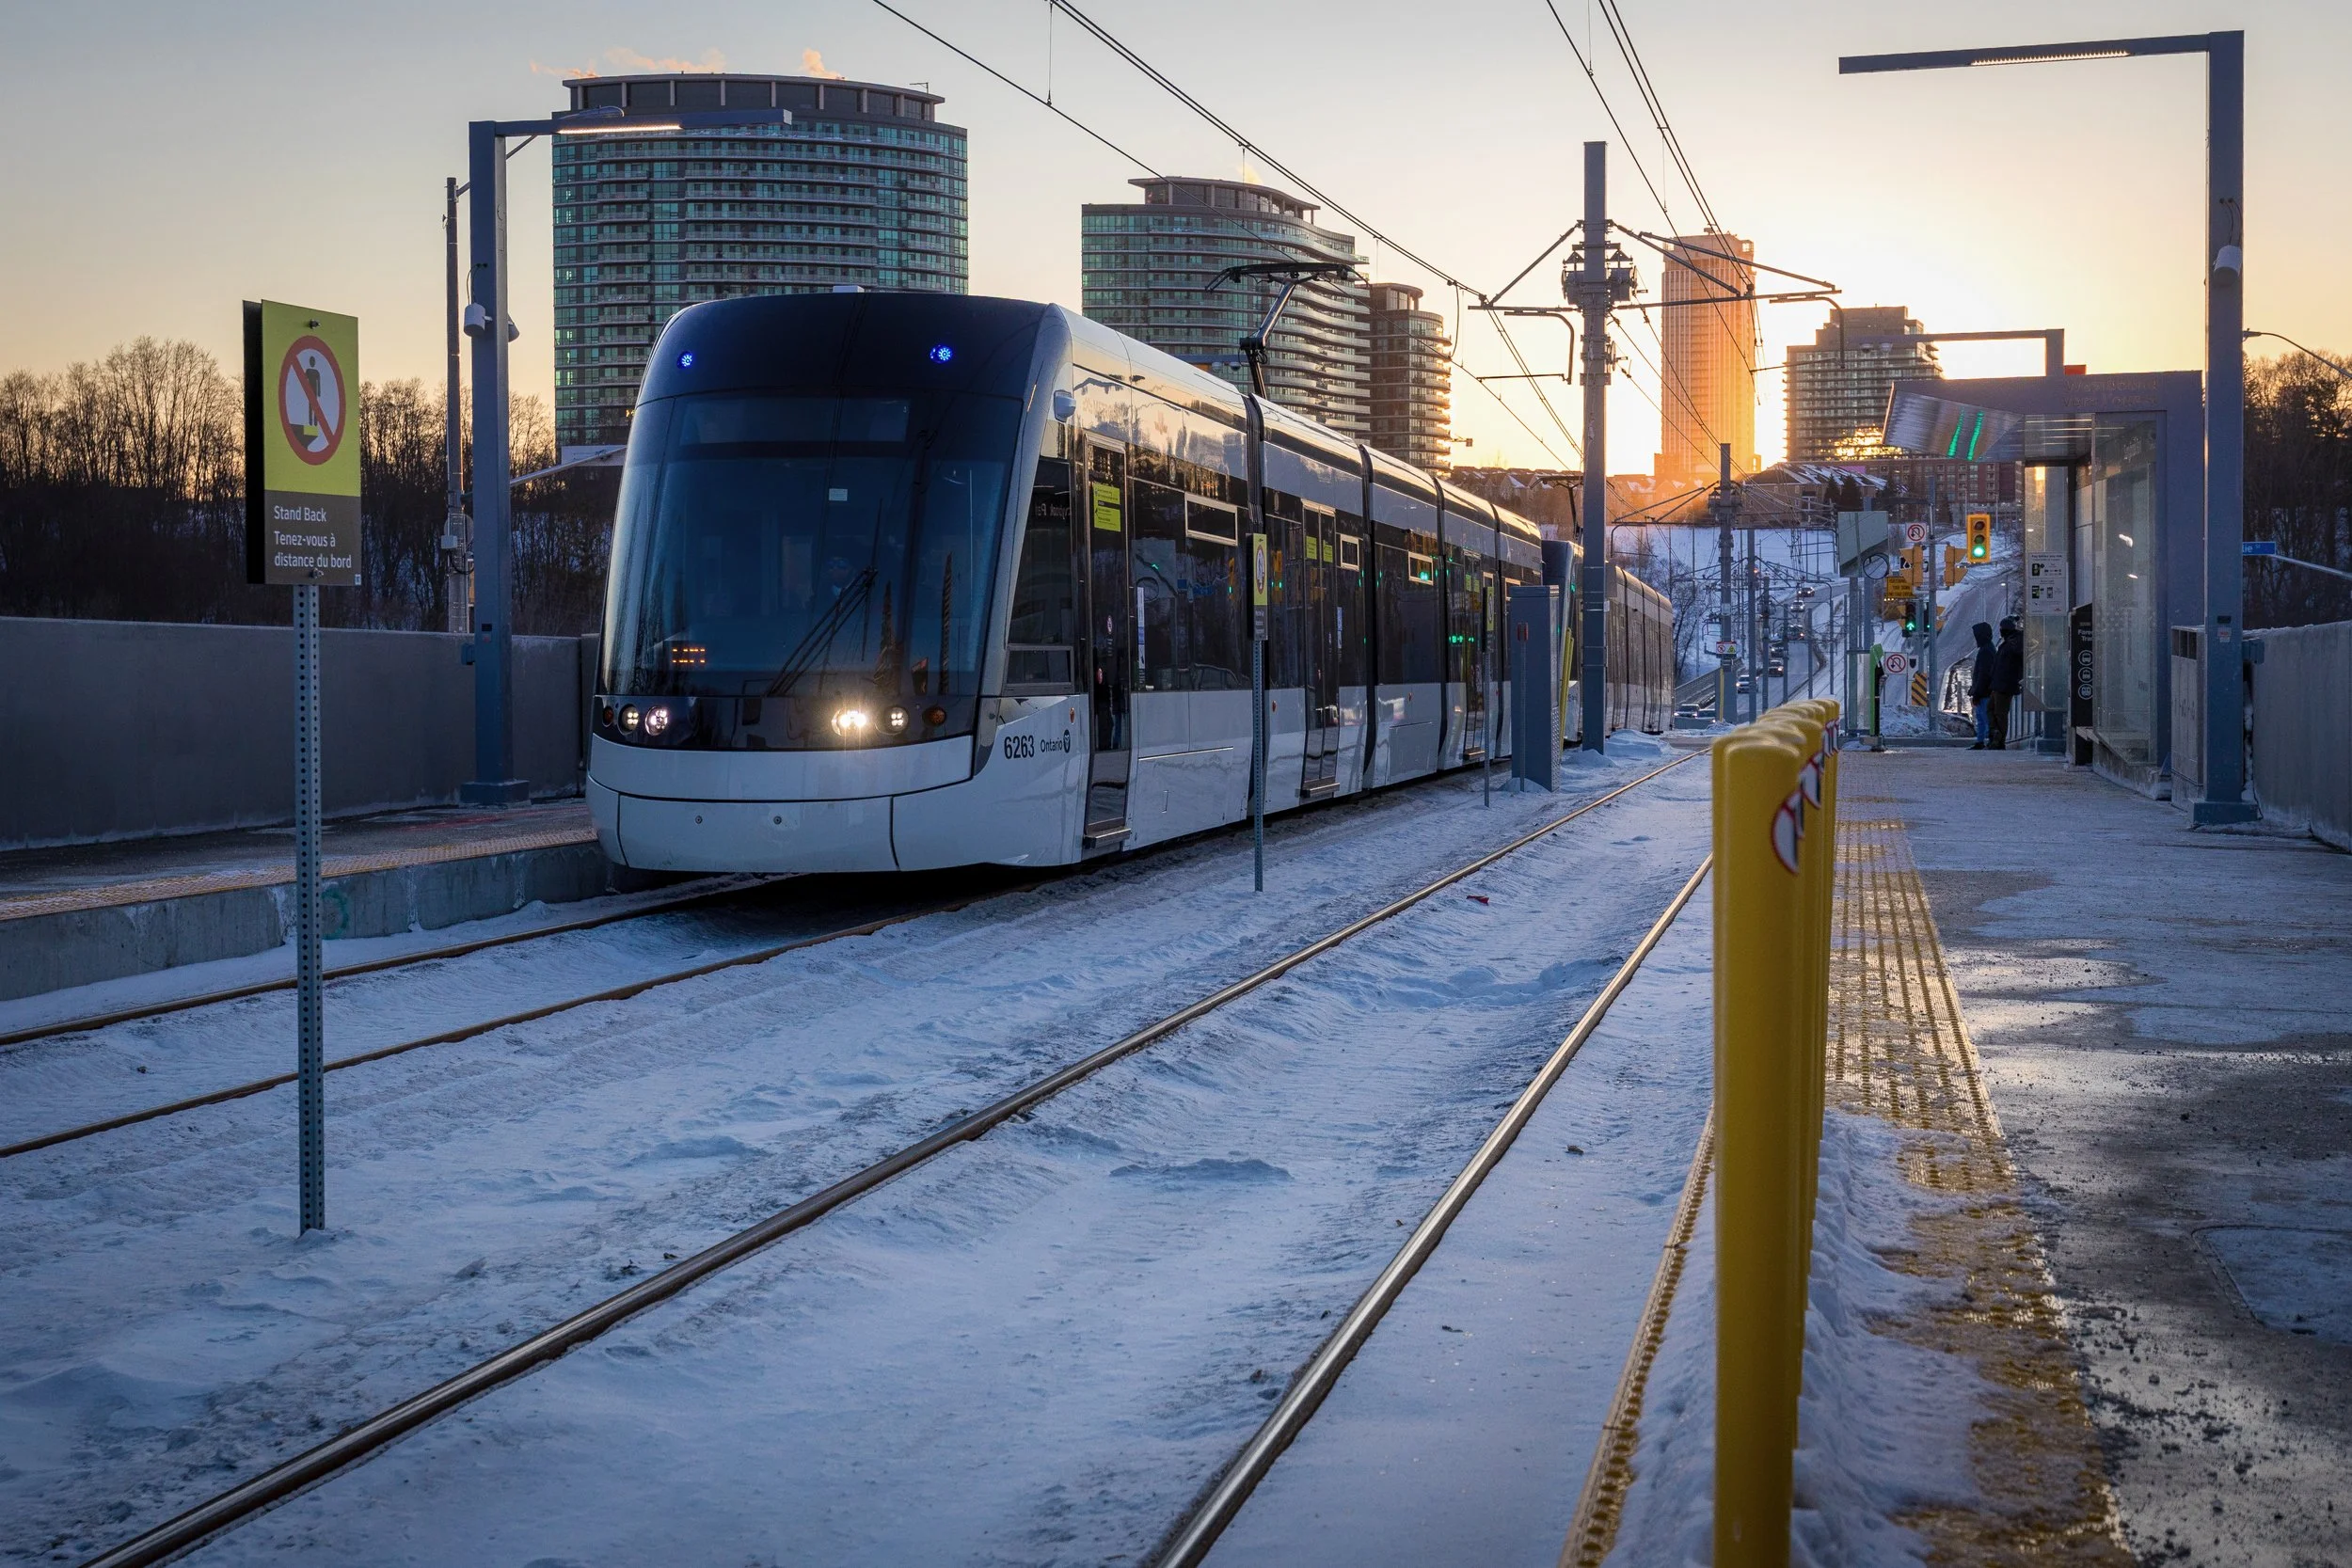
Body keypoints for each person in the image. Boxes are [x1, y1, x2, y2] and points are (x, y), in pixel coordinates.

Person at [1985, 616, 2025, 750]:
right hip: (1999, 684)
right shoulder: (2009, 642)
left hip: (2005, 684)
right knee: (1991, 709)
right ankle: (1995, 734)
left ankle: (1999, 740)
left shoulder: (2014, 643)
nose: (2000, 631)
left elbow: (2019, 658)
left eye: (2002, 629)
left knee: (2000, 713)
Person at [1967, 621, 1996, 749]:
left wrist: (1977, 692)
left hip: (1984, 692)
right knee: (1982, 717)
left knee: (1983, 718)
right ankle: (1982, 741)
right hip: (1985, 691)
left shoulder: (1985, 651)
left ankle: (1984, 741)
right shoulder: (1988, 648)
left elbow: (1983, 674)